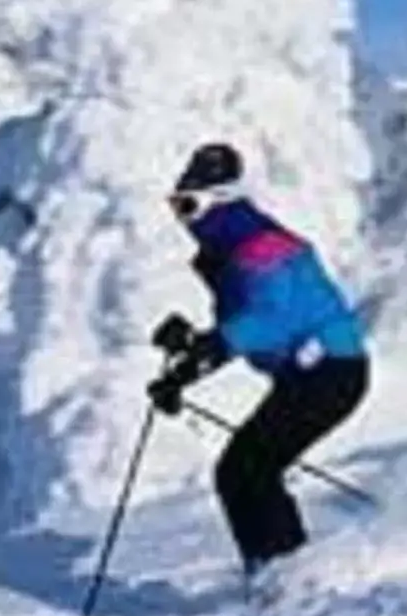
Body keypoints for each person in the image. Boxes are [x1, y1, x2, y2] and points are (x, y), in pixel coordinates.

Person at [146, 141, 371, 572]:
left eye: (186, 205)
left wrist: (207, 346)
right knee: (245, 470)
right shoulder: (234, 251)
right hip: (314, 374)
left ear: (217, 201)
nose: (181, 218)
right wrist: (185, 372)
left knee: (248, 470)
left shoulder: (260, 246)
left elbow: (270, 319)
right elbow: (246, 329)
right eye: (175, 205)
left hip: (329, 372)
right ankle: (276, 570)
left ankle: (284, 573)